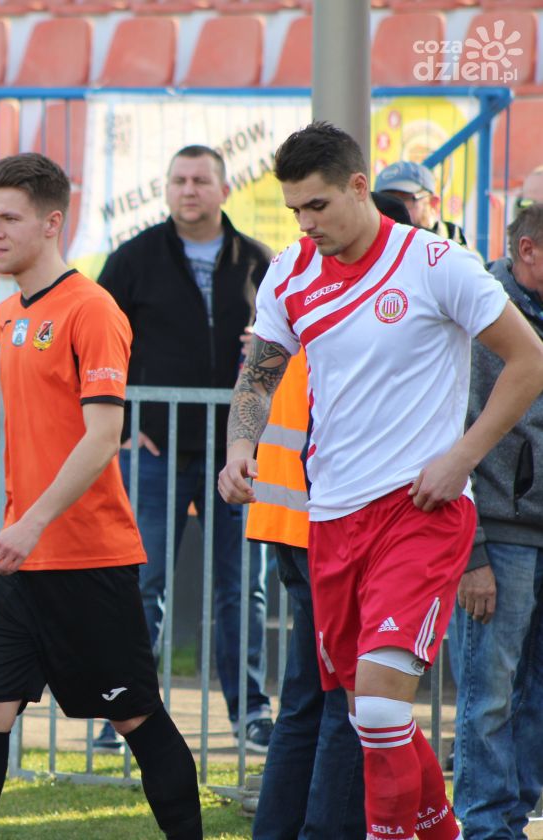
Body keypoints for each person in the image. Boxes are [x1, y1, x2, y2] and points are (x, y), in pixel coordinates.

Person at [220, 121, 543, 840]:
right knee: (368, 716)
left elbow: (530, 361)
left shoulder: (434, 262)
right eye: (295, 210)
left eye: (318, 205)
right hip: (330, 520)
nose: (306, 224)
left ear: (359, 187)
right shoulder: (291, 271)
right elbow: (260, 373)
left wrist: (461, 458)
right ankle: (441, 831)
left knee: (379, 708)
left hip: (420, 511)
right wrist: (240, 445)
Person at [0, 153, 202, 840]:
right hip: (21, 563)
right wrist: (23, 529)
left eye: (9, 218)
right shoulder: (7, 314)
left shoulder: (92, 309)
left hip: (86, 558)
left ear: (52, 223)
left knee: (134, 715)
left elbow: (104, 434)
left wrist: (32, 523)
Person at [96, 144, 274, 752]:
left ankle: (251, 712)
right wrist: (124, 424)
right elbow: (94, 343)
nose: (189, 189)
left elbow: (292, 344)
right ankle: (126, 716)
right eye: (178, 180)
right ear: (167, 189)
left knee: (242, 587)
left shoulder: (259, 261)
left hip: (237, 455)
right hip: (155, 451)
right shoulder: (134, 258)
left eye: (200, 180)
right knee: (142, 584)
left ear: (225, 189)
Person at [249, 193, 410, 840]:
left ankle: (279, 829)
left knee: (307, 699)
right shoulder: (347, 297)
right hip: (329, 524)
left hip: (291, 518)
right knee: (349, 698)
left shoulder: (299, 282)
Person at [447, 204, 543, 839]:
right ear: (528, 250)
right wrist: (472, 553)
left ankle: (511, 819)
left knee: (531, 696)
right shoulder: (480, 313)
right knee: (490, 695)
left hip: (526, 530)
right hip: (498, 534)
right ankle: (485, 827)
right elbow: (452, 432)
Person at [375, 160, 468, 246]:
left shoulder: (455, 250)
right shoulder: (374, 249)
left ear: (433, 204)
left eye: (404, 199)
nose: (393, 207)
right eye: (385, 200)